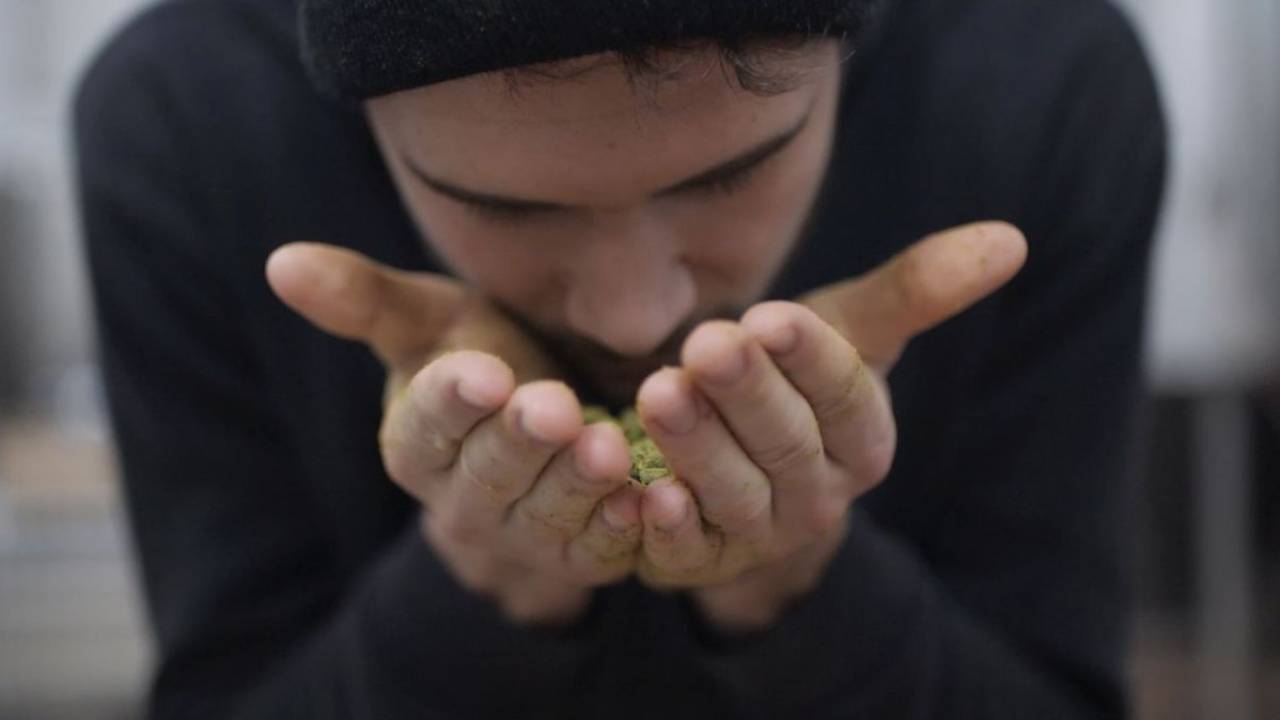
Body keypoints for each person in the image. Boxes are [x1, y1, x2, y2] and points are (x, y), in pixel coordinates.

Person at [73, 0, 1166, 717]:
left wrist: (795, 579)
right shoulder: (185, 123)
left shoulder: (1042, 86)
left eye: (729, 177)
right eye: (504, 208)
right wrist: (486, 574)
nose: (633, 316)